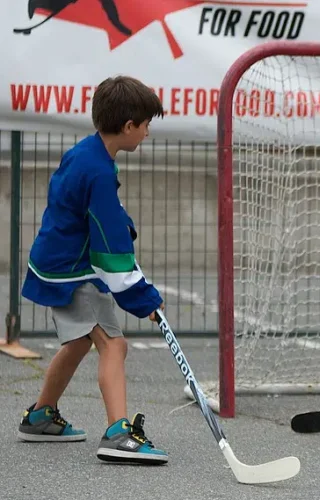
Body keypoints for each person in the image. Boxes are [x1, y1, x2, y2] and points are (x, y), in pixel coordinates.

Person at [16, 75, 169, 465]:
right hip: (71, 270)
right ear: (129, 126)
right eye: (147, 125)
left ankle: (39, 416)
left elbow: (97, 216)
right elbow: (110, 250)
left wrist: (121, 226)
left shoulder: (87, 152)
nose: (148, 134)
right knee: (113, 343)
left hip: (58, 262)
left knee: (81, 341)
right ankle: (119, 433)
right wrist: (143, 299)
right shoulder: (99, 171)